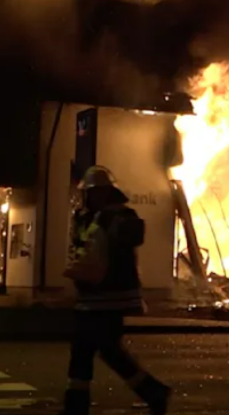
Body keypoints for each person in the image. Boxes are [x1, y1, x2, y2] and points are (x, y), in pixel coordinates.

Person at [61, 165, 171, 415]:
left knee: (93, 351)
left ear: (101, 193)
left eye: (89, 193)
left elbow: (114, 247)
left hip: (106, 300)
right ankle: (152, 392)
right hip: (92, 298)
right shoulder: (90, 216)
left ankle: (77, 408)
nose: (85, 198)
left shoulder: (118, 217)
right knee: (98, 352)